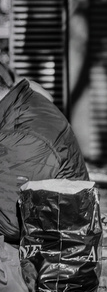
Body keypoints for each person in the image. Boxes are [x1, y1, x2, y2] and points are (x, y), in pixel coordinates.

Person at [0, 67, 89, 244]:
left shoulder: (20, 137)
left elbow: (12, 225)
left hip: (49, 251)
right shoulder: (25, 102)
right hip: (56, 231)